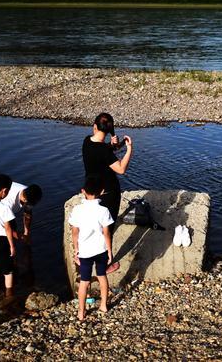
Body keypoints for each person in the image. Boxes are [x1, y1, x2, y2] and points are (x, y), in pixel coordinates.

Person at [82, 112, 133, 273]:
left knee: (92, 224)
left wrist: (112, 146)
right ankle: (106, 263)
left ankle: (83, 256)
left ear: (95, 126)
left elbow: (100, 153)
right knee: (106, 228)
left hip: (91, 190)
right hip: (108, 192)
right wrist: (129, 149)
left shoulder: (86, 142)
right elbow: (121, 169)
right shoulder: (104, 151)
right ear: (110, 129)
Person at [68, 177, 114, 321]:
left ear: (83, 191)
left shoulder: (77, 209)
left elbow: (75, 232)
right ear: (102, 192)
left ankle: (81, 312)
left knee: (84, 282)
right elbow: (106, 233)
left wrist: (76, 250)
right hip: (100, 250)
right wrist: (110, 250)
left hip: (85, 252)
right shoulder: (104, 210)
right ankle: (104, 306)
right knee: (102, 276)